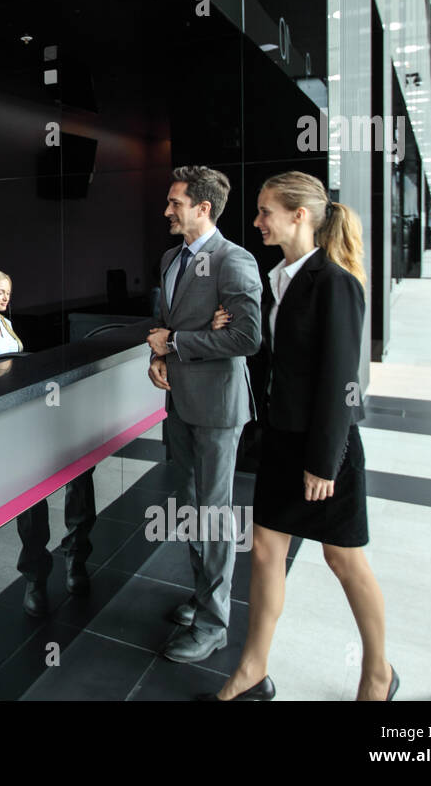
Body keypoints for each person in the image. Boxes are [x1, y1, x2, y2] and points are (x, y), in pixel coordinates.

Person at [203, 171, 397, 701]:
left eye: (266, 211)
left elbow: (341, 382)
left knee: (343, 558)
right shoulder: (280, 279)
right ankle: (251, 671)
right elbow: (280, 361)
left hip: (324, 447)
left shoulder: (335, 283)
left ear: (299, 215)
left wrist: (323, 463)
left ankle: (379, 672)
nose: (258, 220)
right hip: (283, 441)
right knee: (265, 551)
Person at [147, 166, 262, 663]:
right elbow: (165, 323)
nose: (167, 210)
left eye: (175, 203)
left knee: (214, 514)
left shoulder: (234, 261)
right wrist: (159, 354)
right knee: (192, 507)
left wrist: (175, 343)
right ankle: (201, 596)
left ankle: (215, 624)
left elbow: (246, 338)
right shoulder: (171, 258)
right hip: (180, 404)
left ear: (203, 209)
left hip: (217, 408)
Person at [0, 270, 96, 615]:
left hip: (31, 402)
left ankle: (76, 556)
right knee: (31, 487)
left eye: (8, 292)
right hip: (8, 413)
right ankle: (35, 577)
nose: (6, 298)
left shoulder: (6, 325)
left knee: (81, 463)